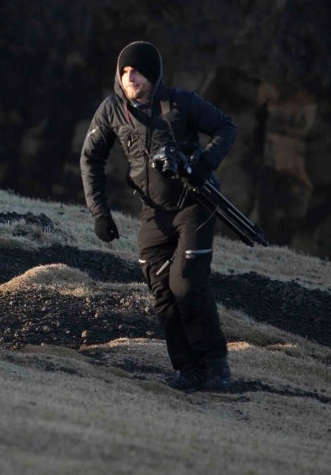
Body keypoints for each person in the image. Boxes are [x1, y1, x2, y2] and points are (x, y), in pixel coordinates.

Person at [80, 41, 238, 392]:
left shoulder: (181, 103)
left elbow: (226, 128)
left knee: (186, 284)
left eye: (136, 71)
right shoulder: (111, 110)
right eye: (124, 71)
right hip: (153, 211)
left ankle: (216, 365)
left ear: (152, 74)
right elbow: (90, 158)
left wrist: (201, 165)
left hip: (195, 203)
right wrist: (100, 213)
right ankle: (188, 369)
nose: (129, 77)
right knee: (162, 292)